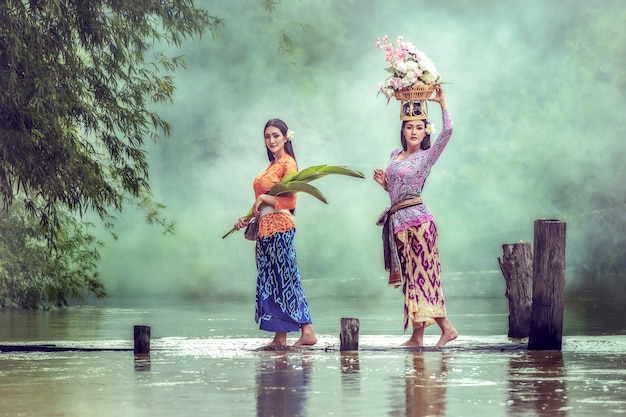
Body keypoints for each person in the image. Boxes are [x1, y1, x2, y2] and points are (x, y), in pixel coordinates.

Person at [373, 86, 458, 347]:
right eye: (409, 127)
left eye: (419, 128)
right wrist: (386, 185)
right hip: (399, 223)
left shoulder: (426, 157)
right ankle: (418, 336)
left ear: (425, 132)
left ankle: (447, 328)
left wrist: (443, 102)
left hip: (419, 223)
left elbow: (448, 132)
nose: (413, 131)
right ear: (403, 131)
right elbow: (400, 191)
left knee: (425, 275)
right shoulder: (394, 156)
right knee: (413, 278)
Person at [233, 118, 317, 348]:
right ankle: (280, 337)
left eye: (276, 136)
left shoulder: (288, 164)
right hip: (264, 228)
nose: (271, 140)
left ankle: (307, 331)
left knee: (287, 278)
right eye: (267, 136)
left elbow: (290, 200)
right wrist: (246, 217)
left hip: (280, 227)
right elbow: (260, 203)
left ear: (286, 137)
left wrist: (263, 198)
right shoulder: (271, 166)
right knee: (271, 281)